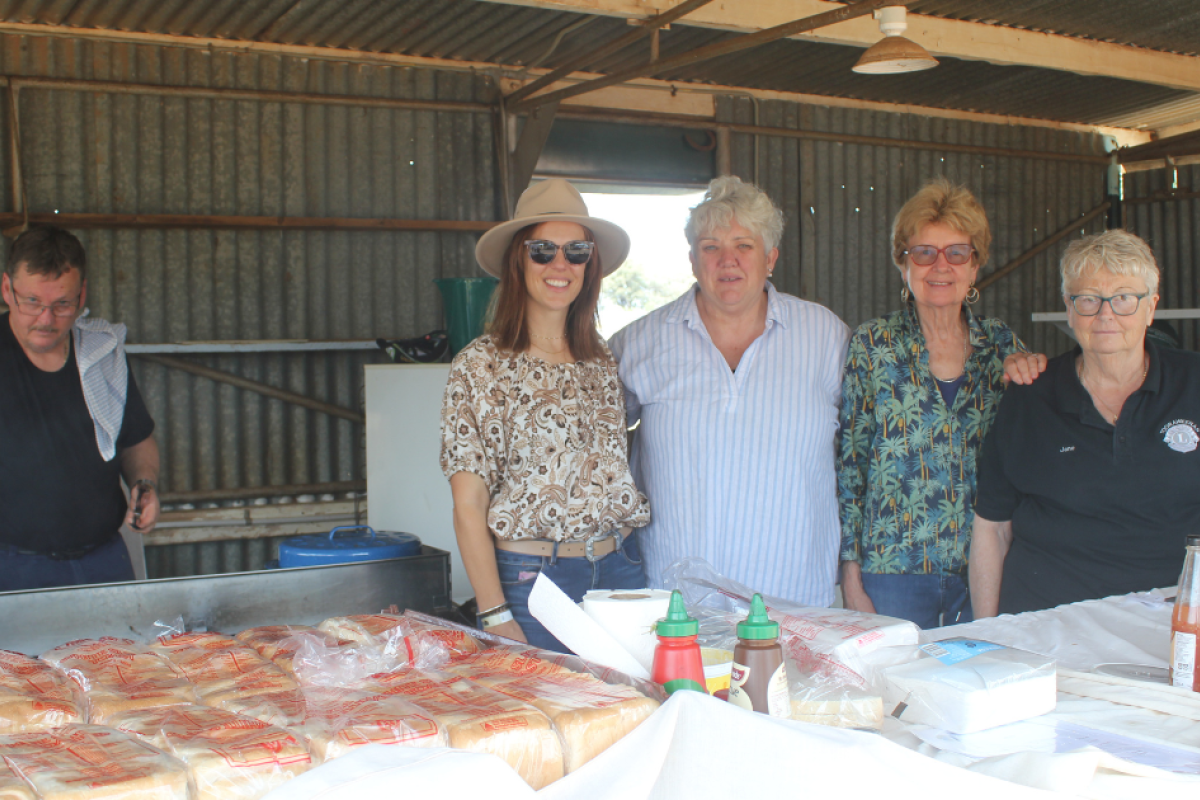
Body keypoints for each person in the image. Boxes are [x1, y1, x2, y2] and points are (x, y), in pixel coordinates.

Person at [609, 176, 849, 607]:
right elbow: (595, 452)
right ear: (692, 259)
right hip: (676, 604)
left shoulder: (825, 337)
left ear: (771, 257)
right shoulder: (638, 343)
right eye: (711, 247)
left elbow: (868, 450)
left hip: (793, 600)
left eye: (744, 245)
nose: (727, 260)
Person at [440, 179, 650, 650]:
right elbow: (468, 504)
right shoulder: (480, 366)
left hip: (621, 569)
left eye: (576, 251)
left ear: (589, 264)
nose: (561, 265)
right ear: (519, 258)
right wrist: (494, 612)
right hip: (533, 582)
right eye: (543, 250)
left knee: (629, 715)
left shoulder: (601, 360)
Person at [972, 229, 1200, 617]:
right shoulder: (1030, 395)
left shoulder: (1194, 383)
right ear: (1069, 306)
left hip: (1169, 626)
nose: (1106, 314)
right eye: (1089, 299)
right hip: (1046, 625)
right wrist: (988, 636)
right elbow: (991, 528)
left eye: (1124, 298)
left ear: (1151, 307)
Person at [836, 178, 1031, 629]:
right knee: (893, 695)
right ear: (902, 263)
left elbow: (1032, 453)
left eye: (956, 253)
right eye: (923, 252)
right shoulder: (873, 343)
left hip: (984, 568)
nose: (939, 266)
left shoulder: (1003, 345)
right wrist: (850, 573)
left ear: (975, 265)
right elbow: (851, 464)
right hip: (891, 570)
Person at [0, 226, 160, 591]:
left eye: (62, 305)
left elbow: (137, 439)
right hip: (10, 567)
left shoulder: (100, 354)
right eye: (32, 302)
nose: (45, 319)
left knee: (123, 650)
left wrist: (145, 483)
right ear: (7, 289)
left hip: (104, 561)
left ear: (82, 294)